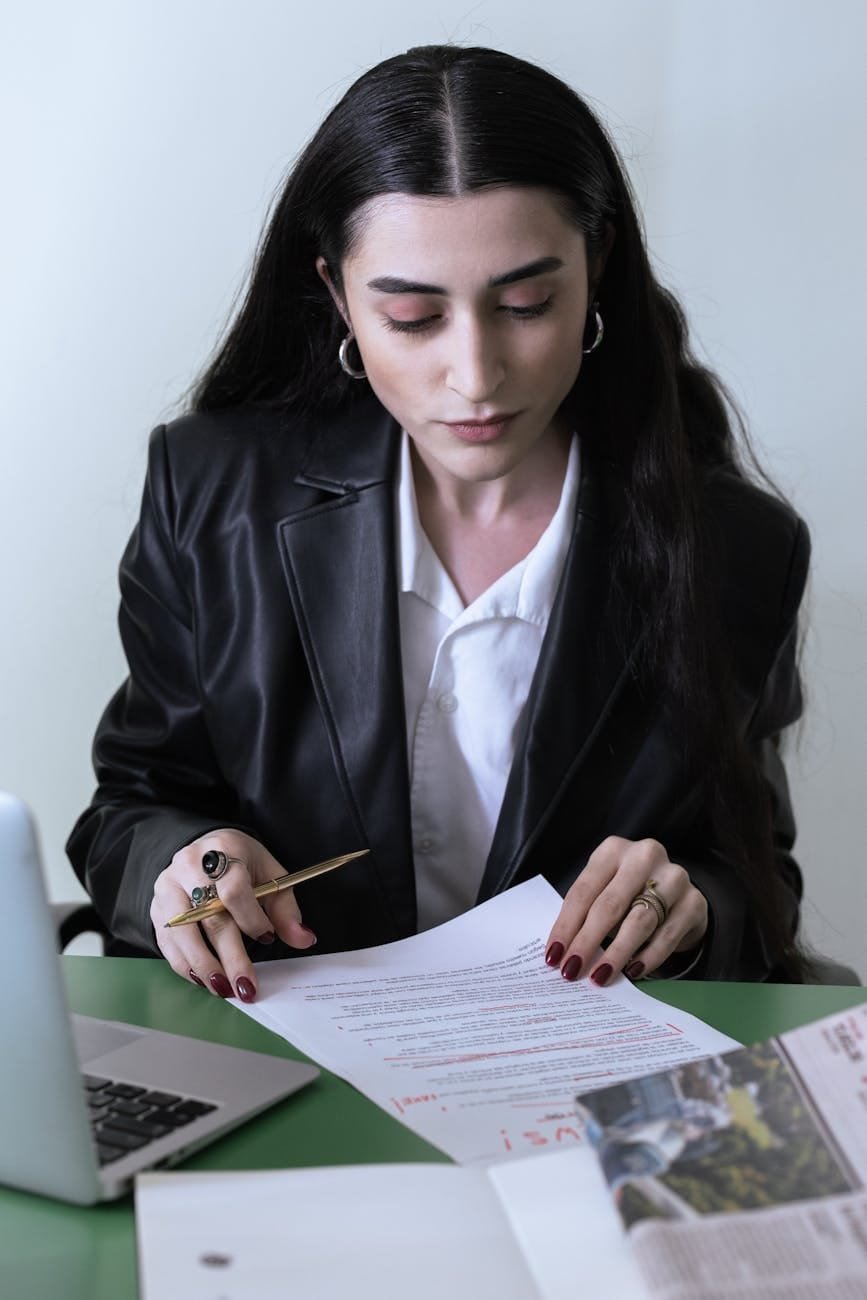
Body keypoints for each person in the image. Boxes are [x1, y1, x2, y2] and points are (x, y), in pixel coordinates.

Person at [67, 44, 810, 1004]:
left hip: (574, 1080)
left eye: (526, 304)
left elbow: (758, 878)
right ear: (338, 295)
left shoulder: (734, 547)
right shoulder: (211, 488)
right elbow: (131, 805)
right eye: (414, 317)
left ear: (597, 272)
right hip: (289, 1055)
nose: (475, 374)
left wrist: (690, 907)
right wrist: (183, 866)